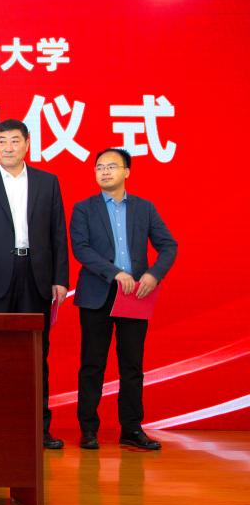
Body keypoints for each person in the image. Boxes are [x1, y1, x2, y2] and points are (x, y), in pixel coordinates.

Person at [0, 119, 69, 449]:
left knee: (36, 355)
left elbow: (58, 233)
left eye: (14, 141)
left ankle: (39, 429)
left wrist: (60, 279)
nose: (8, 147)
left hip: (37, 276)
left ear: (27, 144)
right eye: (1, 141)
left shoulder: (47, 182)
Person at [70, 148, 177, 451]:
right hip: (97, 294)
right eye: (99, 167)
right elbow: (81, 248)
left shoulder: (144, 208)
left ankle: (131, 428)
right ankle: (88, 430)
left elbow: (168, 245)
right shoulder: (83, 208)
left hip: (135, 296)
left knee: (132, 365)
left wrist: (154, 275)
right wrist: (115, 273)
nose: (104, 171)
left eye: (112, 166)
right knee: (92, 364)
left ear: (127, 172)